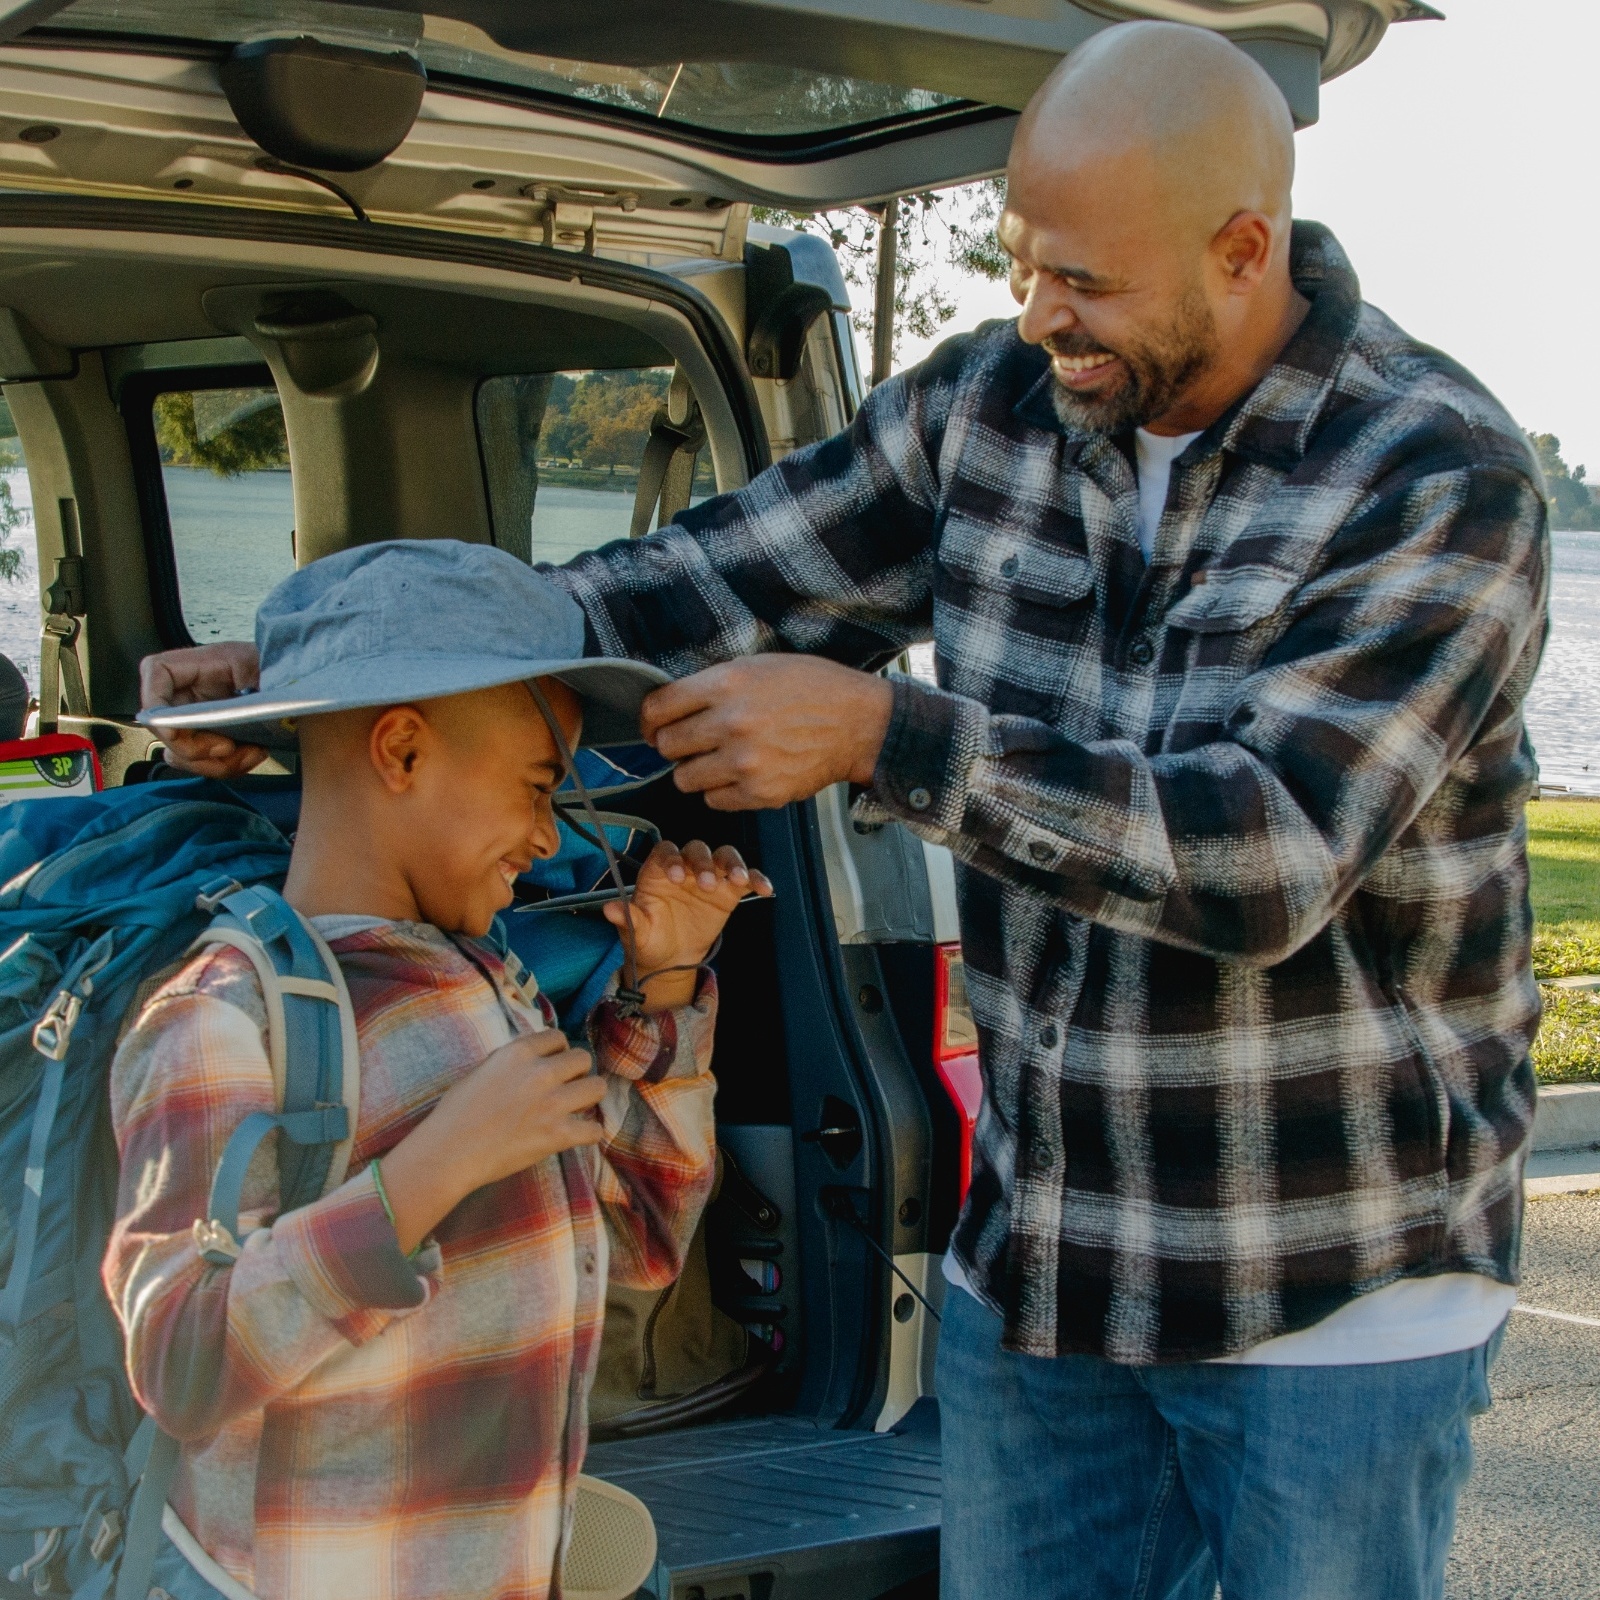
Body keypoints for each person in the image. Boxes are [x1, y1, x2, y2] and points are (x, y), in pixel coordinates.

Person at [142, 21, 1550, 1599]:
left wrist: (889, 735)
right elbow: (703, 579)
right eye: (1025, 263)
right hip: (1043, 1273)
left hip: (1331, 1299)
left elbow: (1268, 853)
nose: (1040, 318)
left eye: (1086, 282)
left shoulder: (1434, 478)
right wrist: (321, 676)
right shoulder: (992, 408)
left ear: (1241, 250)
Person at [109, 539, 771, 1600]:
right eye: (536, 785)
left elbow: (634, 1245)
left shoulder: (495, 983)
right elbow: (181, 1360)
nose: (547, 832)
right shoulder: (225, 1011)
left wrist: (663, 981)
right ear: (403, 752)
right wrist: (430, 1172)